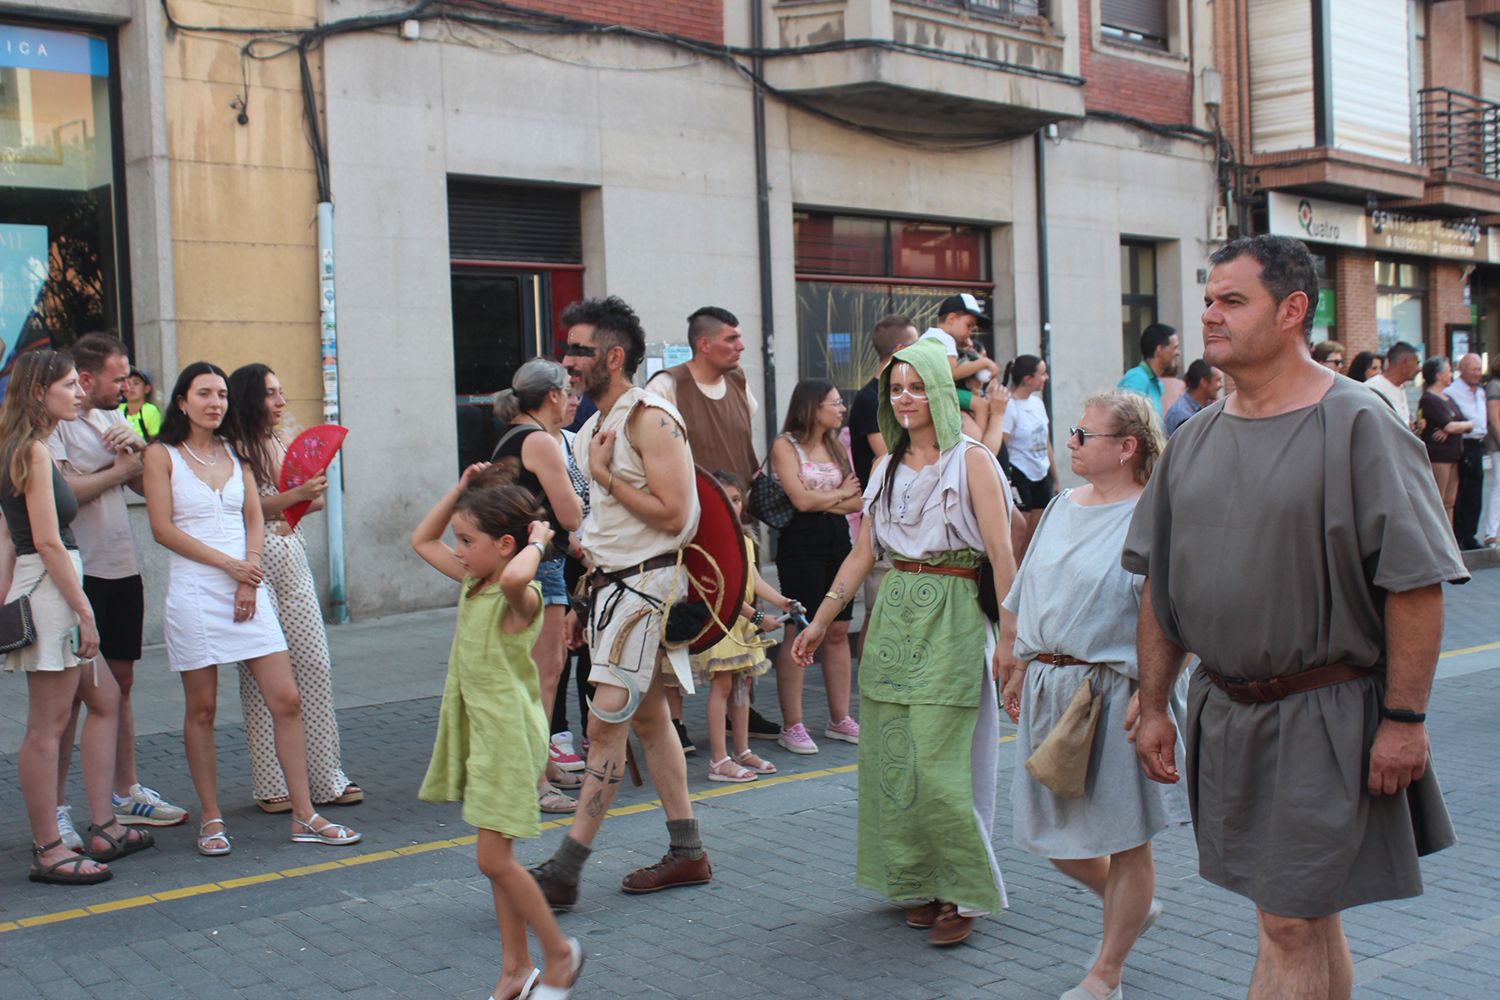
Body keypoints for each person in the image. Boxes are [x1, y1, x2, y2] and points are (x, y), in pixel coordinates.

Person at [1127, 235, 1463, 1000]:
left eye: (1231, 300)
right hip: (1226, 712)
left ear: (1292, 311)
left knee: (1288, 922)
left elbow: (1416, 586)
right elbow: (1157, 585)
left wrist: (1405, 718)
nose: (1208, 315)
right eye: (1208, 298)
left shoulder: (1359, 424)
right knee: (1295, 918)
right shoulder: (1192, 439)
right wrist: (1153, 705)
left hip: (1324, 713)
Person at [793, 339, 1016, 948]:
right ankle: (925, 880)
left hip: (955, 616)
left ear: (941, 391)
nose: (906, 398)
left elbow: (1001, 553)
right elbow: (863, 553)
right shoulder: (886, 466)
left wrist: (1011, 641)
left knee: (946, 766)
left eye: (918, 387)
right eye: (896, 389)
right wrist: (818, 622)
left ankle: (965, 890)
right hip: (894, 620)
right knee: (899, 760)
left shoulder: (971, 459)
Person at [1001, 390, 1187, 1000]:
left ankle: (1106, 975)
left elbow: (1177, 617)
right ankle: (1129, 908)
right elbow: (1026, 591)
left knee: (1125, 837)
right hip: (1050, 687)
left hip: (1119, 692)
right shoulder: (1060, 505)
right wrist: (1015, 661)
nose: (1071, 443)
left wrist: (1155, 694)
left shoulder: (1153, 517)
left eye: (1084, 435)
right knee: (1047, 832)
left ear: (1127, 447)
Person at [529, 295, 709, 909]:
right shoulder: (591, 429)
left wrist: (604, 475)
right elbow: (606, 534)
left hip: (646, 592)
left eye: (578, 350)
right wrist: (582, 606)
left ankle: (565, 868)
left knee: (605, 724)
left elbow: (675, 515)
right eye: (566, 349)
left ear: (613, 355)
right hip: (612, 594)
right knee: (651, 721)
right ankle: (688, 853)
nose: (567, 361)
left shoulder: (651, 419)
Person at [143, 362, 360, 855]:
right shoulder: (162, 456)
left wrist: (250, 570)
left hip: (247, 584)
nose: (215, 402)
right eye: (203, 393)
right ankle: (212, 819)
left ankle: (305, 814)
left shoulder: (236, 451)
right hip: (197, 590)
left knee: (286, 699)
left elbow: (253, 518)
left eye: (220, 394)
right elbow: (162, 530)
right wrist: (229, 566)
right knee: (202, 709)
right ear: (182, 401)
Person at [411, 468, 585, 1000]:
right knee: (497, 861)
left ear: (505, 544)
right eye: (459, 540)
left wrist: (538, 541)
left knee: (493, 859)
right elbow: (420, 539)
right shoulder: (473, 581)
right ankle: (515, 968)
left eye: (467, 541)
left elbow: (514, 578)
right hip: (488, 736)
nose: (457, 550)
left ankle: (559, 954)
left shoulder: (522, 595)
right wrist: (460, 492)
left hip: (510, 737)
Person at [2, 350, 149, 884]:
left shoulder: (25, 448)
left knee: (104, 698)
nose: (79, 392)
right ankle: (49, 849)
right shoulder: (34, 452)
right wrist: (84, 612)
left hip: (50, 587)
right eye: (68, 385)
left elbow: (6, 538)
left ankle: (105, 826)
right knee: (47, 726)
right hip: (53, 590)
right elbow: (43, 539)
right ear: (39, 393)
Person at [48, 334, 188, 842]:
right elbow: (62, 494)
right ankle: (58, 806)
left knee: (120, 686)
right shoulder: (57, 425)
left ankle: (126, 792)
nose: (127, 385)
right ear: (85, 380)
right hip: (78, 573)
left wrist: (141, 453)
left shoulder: (114, 419)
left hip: (120, 567)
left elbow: (147, 482)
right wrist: (119, 469)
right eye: (118, 377)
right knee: (66, 698)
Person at [221, 363, 361, 814]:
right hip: (252, 562)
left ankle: (327, 775)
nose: (281, 401)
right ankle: (270, 782)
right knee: (259, 675)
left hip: (292, 554)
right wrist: (291, 500)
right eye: (270, 394)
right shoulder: (234, 448)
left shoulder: (282, 441)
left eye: (281, 392)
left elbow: (313, 500)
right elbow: (245, 508)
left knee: (314, 665)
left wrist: (304, 494)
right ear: (248, 398)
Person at [644, 306, 775, 744]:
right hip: (689, 524)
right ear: (704, 343)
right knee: (682, 616)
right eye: (731, 339)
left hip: (737, 517)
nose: (740, 347)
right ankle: (675, 723)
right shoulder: (667, 385)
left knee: (742, 606)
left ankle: (744, 711)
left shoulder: (739, 382)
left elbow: (742, 438)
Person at [492, 359, 586, 813]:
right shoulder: (542, 442)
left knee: (536, 673)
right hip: (542, 563)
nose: (574, 400)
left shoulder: (511, 433)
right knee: (544, 676)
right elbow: (571, 516)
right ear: (552, 396)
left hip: (519, 562)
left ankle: (543, 767)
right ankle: (534, 782)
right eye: (569, 391)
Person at [769, 379, 863, 755]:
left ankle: (840, 717)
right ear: (813, 406)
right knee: (801, 629)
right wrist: (836, 494)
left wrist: (824, 498)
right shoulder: (784, 445)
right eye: (835, 403)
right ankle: (792, 724)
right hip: (800, 542)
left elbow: (856, 502)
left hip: (838, 540)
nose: (841, 410)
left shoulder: (836, 446)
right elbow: (799, 502)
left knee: (839, 630)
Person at [693, 471, 794, 783]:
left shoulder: (745, 539)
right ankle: (718, 759)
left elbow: (753, 580)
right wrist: (760, 618)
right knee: (723, 686)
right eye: (723, 499)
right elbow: (726, 593)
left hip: (742, 626)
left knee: (742, 688)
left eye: (736, 499)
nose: (731, 505)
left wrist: (783, 601)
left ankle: (741, 750)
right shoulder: (709, 540)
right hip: (723, 624)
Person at [851, 316, 920, 490]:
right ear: (899, 350)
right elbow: (892, 458)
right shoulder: (868, 400)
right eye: (916, 346)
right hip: (886, 505)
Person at [1000, 355, 1054, 563]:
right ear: (1029, 379)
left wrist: (1054, 476)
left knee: (1036, 535)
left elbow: (1046, 441)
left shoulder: (1038, 403)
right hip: (1020, 474)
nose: (1046, 377)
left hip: (1041, 472)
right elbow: (1001, 445)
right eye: (1042, 373)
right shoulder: (1010, 406)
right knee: (1020, 533)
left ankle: (1027, 577)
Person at [1417, 356, 1470, 528]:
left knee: (1449, 502)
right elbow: (1449, 424)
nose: (1451, 374)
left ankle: (1450, 539)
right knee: (1438, 501)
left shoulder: (1447, 397)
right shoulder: (1429, 399)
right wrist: (1455, 426)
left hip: (1454, 454)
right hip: (1439, 456)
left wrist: (1461, 426)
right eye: (1448, 371)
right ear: (1439, 375)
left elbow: (1458, 422)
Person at [1445, 353, 1486, 550]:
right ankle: (1459, 534)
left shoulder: (1480, 390)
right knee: (1462, 490)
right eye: (1474, 369)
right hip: (1463, 443)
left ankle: (1470, 534)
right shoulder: (1452, 391)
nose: (1478, 373)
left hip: (1478, 443)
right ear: (1463, 369)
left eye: (1479, 369)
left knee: (1475, 491)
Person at [918, 293, 1002, 388]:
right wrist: (984, 362)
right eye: (968, 325)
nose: (970, 332)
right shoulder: (946, 338)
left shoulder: (933, 335)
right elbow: (952, 373)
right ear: (951, 319)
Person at [1117, 323, 1180, 417]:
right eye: (1175, 348)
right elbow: (1123, 418)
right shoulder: (1137, 378)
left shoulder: (1154, 382)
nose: (1178, 353)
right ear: (1160, 349)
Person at [1162, 359, 1222, 437]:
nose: (1221, 385)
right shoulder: (1182, 415)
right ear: (1203, 382)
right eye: (1218, 380)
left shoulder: (1207, 406)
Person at [1367, 341, 1419, 428]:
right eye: (1416, 363)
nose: (1418, 368)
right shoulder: (1374, 388)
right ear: (1404, 363)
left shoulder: (1401, 387)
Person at [120, 366, 161, 440]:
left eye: (136, 383)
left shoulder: (150, 410)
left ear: (147, 389)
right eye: (128, 384)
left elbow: (154, 441)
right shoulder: (118, 409)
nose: (131, 387)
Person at [1486, 355, 1500, 546]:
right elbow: (1494, 417)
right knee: (1499, 486)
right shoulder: (1495, 385)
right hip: (1497, 445)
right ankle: (1490, 532)